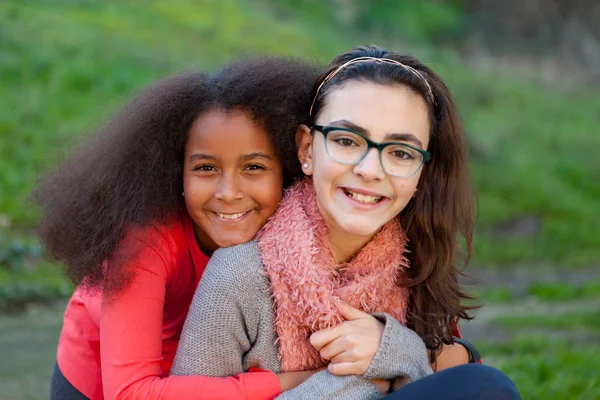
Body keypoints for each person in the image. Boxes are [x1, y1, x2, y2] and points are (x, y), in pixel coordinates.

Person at [172, 45, 521, 399]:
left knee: (485, 388)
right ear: (307, 149)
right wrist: (357, 382)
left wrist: (400, 350)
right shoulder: (238, 276)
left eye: (400, 153)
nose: (369, 170)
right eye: (346, 140)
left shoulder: (413, 265)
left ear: (421, 174)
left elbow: (454, 374)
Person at [35, 57, 322, 400]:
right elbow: (131, 393)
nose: (229, 193)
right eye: (206, 168)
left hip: (203, 372)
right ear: (178, 174)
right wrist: (285, 382)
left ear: (287, 168)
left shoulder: (294, 225)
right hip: (101, 379)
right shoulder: (146, 242)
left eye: (254, 167)